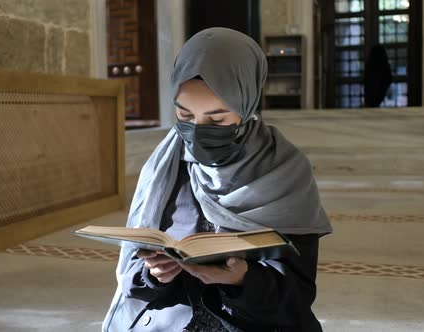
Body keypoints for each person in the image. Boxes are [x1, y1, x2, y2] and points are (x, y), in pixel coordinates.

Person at [102, 28, 332, 332]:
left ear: (247, 105)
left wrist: (243, 279)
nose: (197, 131)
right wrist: (153, 274)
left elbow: (297, 296)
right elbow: (133, 280)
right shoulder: (165, 166)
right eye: (184, 116)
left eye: (217, 119)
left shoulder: (284, 172)